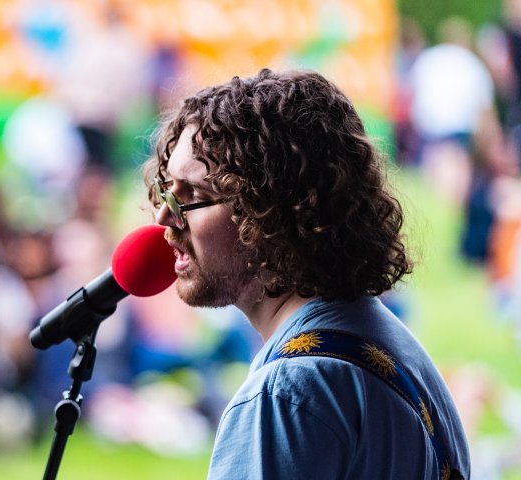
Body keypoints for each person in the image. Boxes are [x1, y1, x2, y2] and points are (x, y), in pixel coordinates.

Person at [145, 69, 470, 478]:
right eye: (167, 188)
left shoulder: (286, 393)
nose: (164, 216)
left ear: (273, 212)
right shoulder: (389, 344)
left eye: (197, 195)